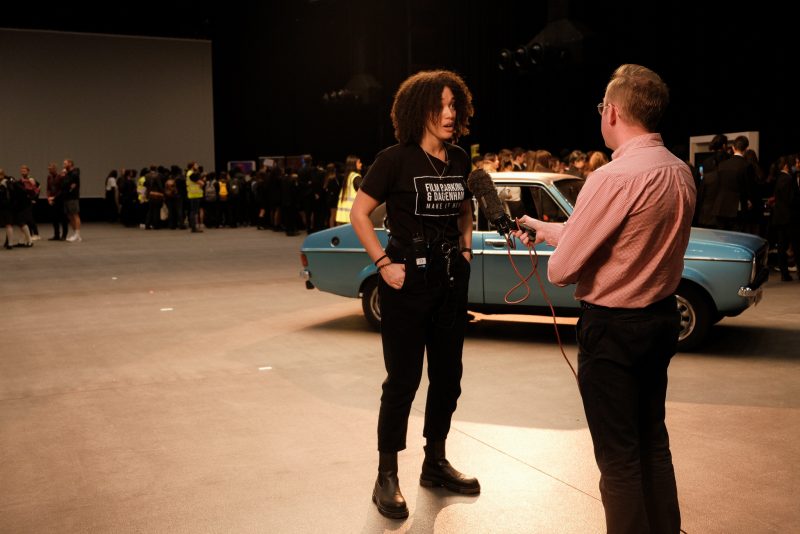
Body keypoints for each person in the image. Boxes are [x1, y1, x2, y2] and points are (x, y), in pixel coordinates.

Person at [514, 64, 695, 534]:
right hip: (658, 323)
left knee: (618, 460)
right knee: (652, 443)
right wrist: (548, 228)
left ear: (611, 111)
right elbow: (623, 240)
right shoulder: (679, 172)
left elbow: (562, 270)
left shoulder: (611, 178)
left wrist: (561, 245)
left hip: (613, 334)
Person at [349, 69, 479, 520]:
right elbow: (360, 213)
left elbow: (464, 208)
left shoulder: (459, 159)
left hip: (449, 286)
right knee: (402, 382)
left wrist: (464, 250)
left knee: (448, 378)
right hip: (407, 287)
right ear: (417, 111)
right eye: (439, 106)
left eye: (453, 105)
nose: (449, 113)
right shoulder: (395, 160)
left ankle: (435, 462)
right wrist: (384, 265)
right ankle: (386, 476)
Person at [62, 159, 82, 242]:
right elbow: (64, 184)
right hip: (66, 197)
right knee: (69, 216)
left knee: (75, 215)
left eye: (65, 163)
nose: (63, 165)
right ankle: (75, 234)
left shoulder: (74, 173)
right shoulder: (67, 174)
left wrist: (66, 177)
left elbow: (69, 183)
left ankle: (77, 234)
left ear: (70, 164)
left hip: (73, 197)